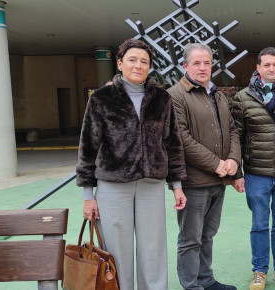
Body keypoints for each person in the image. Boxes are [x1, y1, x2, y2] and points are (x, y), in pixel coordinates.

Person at [77, 38, 187, 290]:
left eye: (144, 61)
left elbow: (172, 142)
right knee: (116, 251)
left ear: (150, 67)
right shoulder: (101, 99)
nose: (138, 65)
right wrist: (88, 195)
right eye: (132, 60)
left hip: (152, 185)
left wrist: (177, 184)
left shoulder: (162, 98)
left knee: (153, 248)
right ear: (119, 63)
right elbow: (88, 147)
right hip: (112, 186)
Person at [167, 43, 241, 290]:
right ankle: (191, 285)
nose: (202, 67)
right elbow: (181, 138)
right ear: (185, 65)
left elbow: (231, 129)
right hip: (194, 182)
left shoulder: (218, 95)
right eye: (196, 63)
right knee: (190, 239)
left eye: (206, 63)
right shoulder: (175, 95)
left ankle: (206, 280)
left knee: (207, 235)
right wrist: (217, 164)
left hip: (219, 180)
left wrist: (233, 161)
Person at [230, 47, 275, 290]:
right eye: (266, 65)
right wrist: (237, 173)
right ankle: (259, 271)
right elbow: (237, 137)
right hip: (256, 174)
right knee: (259, 224)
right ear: (258, 68)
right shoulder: (243, 97)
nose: (271, 68)